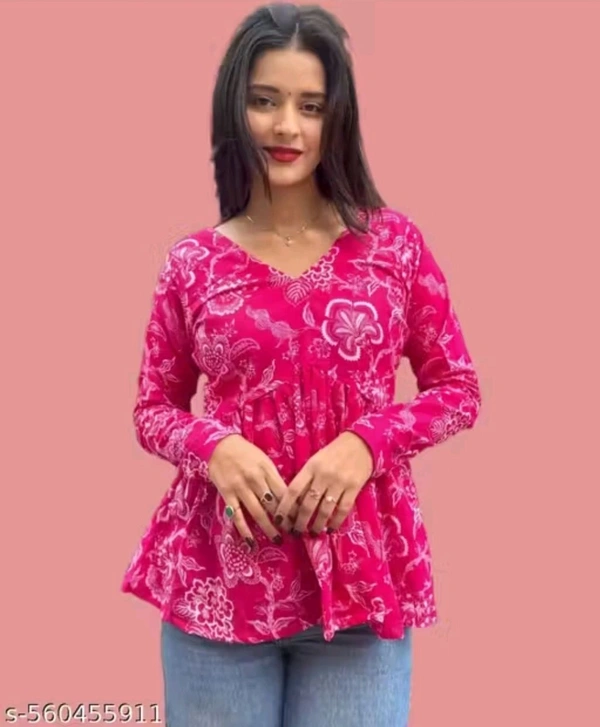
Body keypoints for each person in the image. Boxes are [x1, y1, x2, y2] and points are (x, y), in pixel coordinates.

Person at [121, 3, 482, 726]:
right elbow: (153, 409)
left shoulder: (393, 247)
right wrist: (212, 447)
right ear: (235, 108)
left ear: (336, 118)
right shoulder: (192, 263)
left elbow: (459, 388)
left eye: (310, 106)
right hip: (217, 589)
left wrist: (368, 442)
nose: (287, 126)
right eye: (265, 101)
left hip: (359, 589)